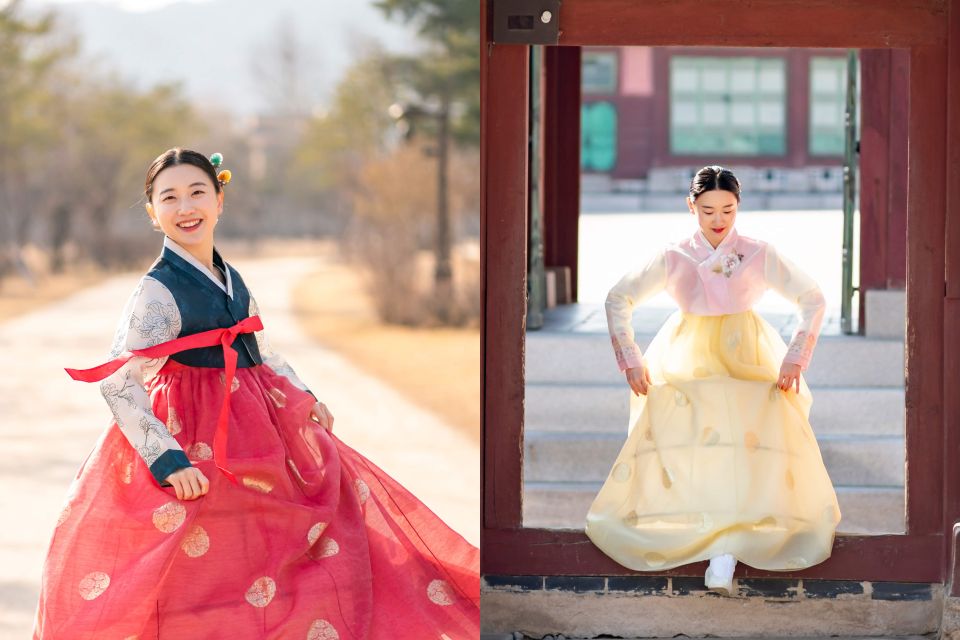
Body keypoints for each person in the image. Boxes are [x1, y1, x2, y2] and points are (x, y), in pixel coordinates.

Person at [32, 148, 479, 638]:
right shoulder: (156, 292)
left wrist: (305, 396)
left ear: (219, 200)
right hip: (195, 442)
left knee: (290, 556)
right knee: (207, 577)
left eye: (198, 192)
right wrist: (168, 458)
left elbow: (261, 350)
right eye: (170, 197)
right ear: (153, 214)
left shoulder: (232, 278)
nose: (186, 207)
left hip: (261, 434)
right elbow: (120, 382)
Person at [584, 165, 841, 596]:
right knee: (697, 448)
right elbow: (618, 298)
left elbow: (811, 297)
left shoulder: (758, 252)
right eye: (707, 211)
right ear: (691, 207)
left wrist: (796, 356)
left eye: (728, 210)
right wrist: (630, 358)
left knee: (745, 450)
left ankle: (727, 549)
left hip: (749, 354)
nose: (718, 220)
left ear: (739, 207)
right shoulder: (674, 255)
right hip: (687, 353)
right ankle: (711, 540)